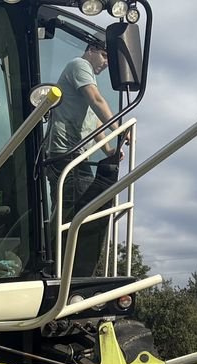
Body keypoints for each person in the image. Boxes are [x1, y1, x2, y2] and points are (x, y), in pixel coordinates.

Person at [45, 36, 130, 276]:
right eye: (104, 56)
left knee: (76, 208)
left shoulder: (84, 86)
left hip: (76, 154)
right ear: (91, 49)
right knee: (75, 209)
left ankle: (59, 260)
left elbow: (93, 128)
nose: (105, 63)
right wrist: (120, 128)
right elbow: (97, 100)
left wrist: (110, 150)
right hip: (64, 153)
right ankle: (55, 262)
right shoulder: (79, 66)